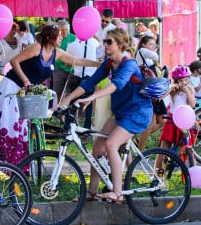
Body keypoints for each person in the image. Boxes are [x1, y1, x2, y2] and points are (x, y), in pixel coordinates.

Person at [58, 27, 153, 204]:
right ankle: (91, 192)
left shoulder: (129, 64)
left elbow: (117, 84)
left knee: (111, 144)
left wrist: (92, 97)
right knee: (97, 147)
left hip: (137, 113)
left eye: (109, 42)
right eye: (104, 41)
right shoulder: (108, 64)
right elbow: (89, 82)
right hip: (121, 112)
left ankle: (117, 192)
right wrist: (67, 100)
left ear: (121, 44)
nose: (105, 45)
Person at [0, 23, 99, 165]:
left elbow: (77, 60)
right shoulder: (36, 48)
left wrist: (99, 65)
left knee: (23, 125)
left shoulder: (56, 52)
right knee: (12, 124)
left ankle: (19, 162)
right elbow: (14, 61)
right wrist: (25, 80)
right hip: (13, 85)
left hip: (26, 91)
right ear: (49, 37)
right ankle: (5, 161)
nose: (61, 38)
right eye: (58, 35)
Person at [134, 34, 165, 149]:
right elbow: (155, 55)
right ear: (143, 44)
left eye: (154, 44)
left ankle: (137, 141)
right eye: (150, 44)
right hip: (148, 92)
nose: (152, 46)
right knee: (150, 123)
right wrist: (157, 62)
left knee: (162, 121)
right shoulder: (142, 52)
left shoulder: (147, 57)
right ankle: (140, 150)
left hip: (154, 91)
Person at [158, 65, 196, 155]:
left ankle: (189, 167)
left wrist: (187, 91)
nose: (184, 82)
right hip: (173, 118)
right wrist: (171, 89)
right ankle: (158, 168)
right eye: (181, 80)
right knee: (164, 147)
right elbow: (160, 98)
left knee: (189, 148)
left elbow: (193, 104)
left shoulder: (190, 90)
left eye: (186, 80)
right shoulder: (173, 90)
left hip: (185, 120)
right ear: (176, 80)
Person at [65, 34, 99, 128]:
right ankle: (87, 128)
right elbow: (100, 44)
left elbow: (67, 63)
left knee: (73, 103)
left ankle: (67, 127)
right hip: (90, 78)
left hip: (77, 76)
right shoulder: (94, 42)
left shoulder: (71, 45)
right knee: (88, 104)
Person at [51, 19, 75, 100]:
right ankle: (57, 108)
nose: (65, 32)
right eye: (62, 30)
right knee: (58, 92)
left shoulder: (73, 38)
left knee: (69, 92)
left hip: (71, 70)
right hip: (59, 69)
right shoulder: (55, 39)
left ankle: (66, 108)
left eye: (66, 29)